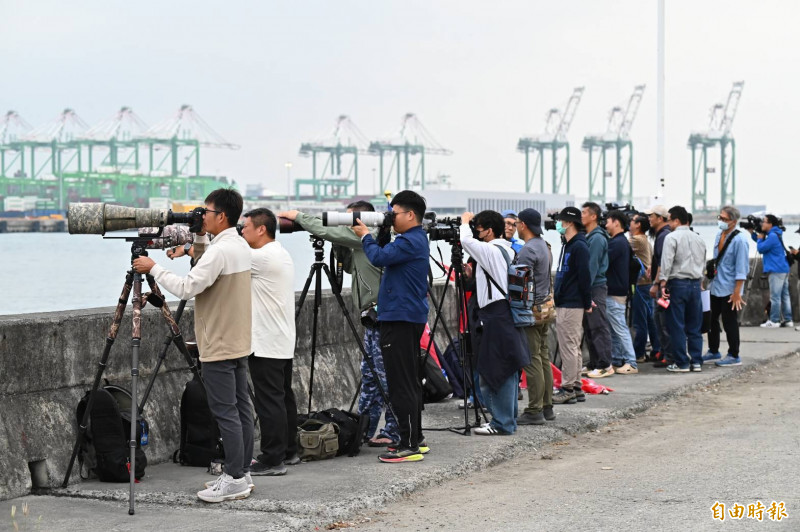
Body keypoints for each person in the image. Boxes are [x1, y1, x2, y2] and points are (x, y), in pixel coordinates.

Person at [133, 188, 254, 503]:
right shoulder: (237, 244)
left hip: (218, 342)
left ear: (221, 216)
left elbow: (188, 287)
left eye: (207, 211)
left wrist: (153, 268)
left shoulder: (220, 250)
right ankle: (242, 472)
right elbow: (205, 266)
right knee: (241, 409)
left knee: (225, 412)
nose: (202, 215)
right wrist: (199, 237)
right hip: (238, 340)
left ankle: (234, 477)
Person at [278, 202, 400, 447]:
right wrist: (338, 241)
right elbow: (348, 265)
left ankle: (396, 431)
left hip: (383, 315)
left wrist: (300, 217)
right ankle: (364, 429)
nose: (348, 225)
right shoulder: (361, 243)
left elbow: (328, 230)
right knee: (370, 376)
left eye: (352, 220)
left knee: (386, 378)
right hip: (372, 316)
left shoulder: (372, 236)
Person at [352, 190, 429, 463]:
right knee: (408, 382)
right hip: (406, 316)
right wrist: (383, 229)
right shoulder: (413, 239)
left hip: (399, 319)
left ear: (410, 215)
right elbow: (386, 251)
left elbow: (379, 258)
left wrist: (364, 235)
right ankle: (415, 438)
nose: (391, 218)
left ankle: (408, 445)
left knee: (400, 384)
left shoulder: (410, 241)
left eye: (394, 214)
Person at [239, 208, 299, 476]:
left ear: (261, 229)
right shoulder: (279, 252)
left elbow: (226, 258)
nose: (241, 232)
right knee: (283, 397)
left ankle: (273, 459)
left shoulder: (261, 257)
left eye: (245, 227)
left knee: (269, 402)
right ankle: (288, 451)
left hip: (265, 341)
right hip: (280, 338)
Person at [459, 209, 530, 435]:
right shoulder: (506, 248)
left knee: (494, 369)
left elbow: (464, 240)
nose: (476, 233)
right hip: (505, 312)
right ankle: (507, 421)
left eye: (478, 229)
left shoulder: (491, 249)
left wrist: (464, 222)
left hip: (495, 315)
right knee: (507, 368)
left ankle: (501, 423)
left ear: (489, 231)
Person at [514, 208, 555, 425]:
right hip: (546, 308)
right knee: (544, 356)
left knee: (532, 359)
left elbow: (519, 284)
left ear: (524, 225)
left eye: (518, 223)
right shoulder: (545, 246)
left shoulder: (527, 250)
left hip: (531, 311)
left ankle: (534, 409)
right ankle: (547, 406)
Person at [658, 205, 706, 373]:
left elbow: (667, 262)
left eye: (670, 220)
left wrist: (663, 282)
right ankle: (696, 361)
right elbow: (703, 262)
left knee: (676, 325)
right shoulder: (698, 238)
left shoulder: (672, 238)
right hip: (695, 283)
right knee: (694, 325)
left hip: (677, 284)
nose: (668, 223)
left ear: (677, 220)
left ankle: (681, 363)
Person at [552, 206, 593, 404]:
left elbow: (585, 277)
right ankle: (576, 386)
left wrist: (586, 301)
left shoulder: (578, 246)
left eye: (560, 220)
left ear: (569, 223)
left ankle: (568, 387)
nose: (558, 224)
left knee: (568, 346)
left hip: (571, 302)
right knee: (573, 346)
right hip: (567, 301)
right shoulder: (569, 245)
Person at [704, 206, 750, 367]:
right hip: (716, 284)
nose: (721, 221)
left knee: (729, 321)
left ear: (734, 221)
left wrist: (737, 292)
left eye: (725, 219)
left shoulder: (740, 240)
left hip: (730, 288)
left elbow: (742, 269)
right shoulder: (719, 235)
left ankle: (734, 354)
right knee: (711, 319)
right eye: (720, 218)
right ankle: (713, 350)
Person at [580, 202, 614, 379]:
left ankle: (605, 364)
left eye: (584, 212)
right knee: (589, 326)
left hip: (595, 287)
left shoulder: (597, 238)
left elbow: (591, 267)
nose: (581, 215)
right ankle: (593, 362)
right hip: (591, 287)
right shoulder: (589, 236)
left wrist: (585, 290)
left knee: (598, 325)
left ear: (594, 216)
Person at [604, 210, 638, 374]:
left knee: (619, 328)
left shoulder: (617, 243)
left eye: (608, 220)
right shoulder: (621, 241)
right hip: (619, 290)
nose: (606, 224)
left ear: (616, 222)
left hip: (615, 291)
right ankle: (617, 358)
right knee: (615, 328)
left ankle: (631, 362)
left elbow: (604, 262)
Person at [750, 214, 793, 328]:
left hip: (776, 269)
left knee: (775, 297)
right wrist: (753, 234)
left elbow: (761, 248)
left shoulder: (773, 236)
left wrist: (759, 239)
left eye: (764, 222)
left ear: (770, 224)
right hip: (782, 268)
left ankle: (774, 321)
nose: (762, 224)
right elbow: (762, 242)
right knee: (784, 295)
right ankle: (788, 320)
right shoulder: (775, 234)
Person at [628, 214, 661, 363]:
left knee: (640, 322)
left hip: (641, 284)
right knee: (650, 320)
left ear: (638, 225)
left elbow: (617, 246)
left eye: (632, 221)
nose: (629, 224)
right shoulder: (646, 240)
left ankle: (639, 353)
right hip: (648, 283)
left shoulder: (637, 240)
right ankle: (657, 349)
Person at [646, 205, 673, 368]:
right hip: (665, 284)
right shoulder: (662, 235)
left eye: (652, 216)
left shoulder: (664, 236)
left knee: (663, 321)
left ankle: (668, 355)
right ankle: (664, 352)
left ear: (660, 218)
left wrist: (656, 284)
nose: (649, 219)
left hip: (664, 286)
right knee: (659, 319)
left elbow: (664, 263)